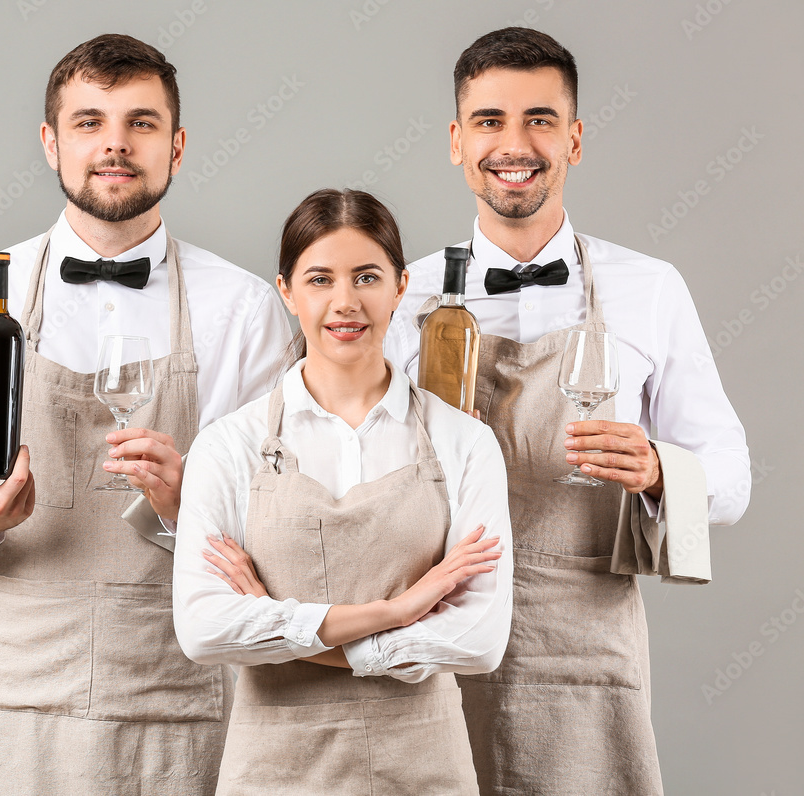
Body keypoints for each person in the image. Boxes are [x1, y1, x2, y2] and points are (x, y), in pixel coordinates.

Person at [0, 34, 290, 795]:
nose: (114, 144)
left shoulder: (243, 308)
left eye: (140, 123)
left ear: (175, 145)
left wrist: (186, 506)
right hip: (11, 696)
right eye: (88, 122)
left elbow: (276, 516)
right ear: (50, 142)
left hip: (176, 695)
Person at [384, 27, 751, 795]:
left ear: (575, 139)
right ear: (456, 141)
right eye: (489, 121)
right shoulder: (400, 293)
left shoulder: (649, 287)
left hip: (585, 647)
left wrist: (657, 471)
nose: (513, 144)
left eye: (540, 120)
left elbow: (732, 477)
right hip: (435, 629)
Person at [172, 188, 513, 795]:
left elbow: (481, 640)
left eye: (366, 277)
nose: (345, 302)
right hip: (273, 771)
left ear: (401, 287)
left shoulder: (466, 443)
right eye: (320, 279)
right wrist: (399, 611)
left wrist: (283, 627)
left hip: (423, 768)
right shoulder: (228, 445)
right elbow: (202, 629)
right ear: (286, 290)